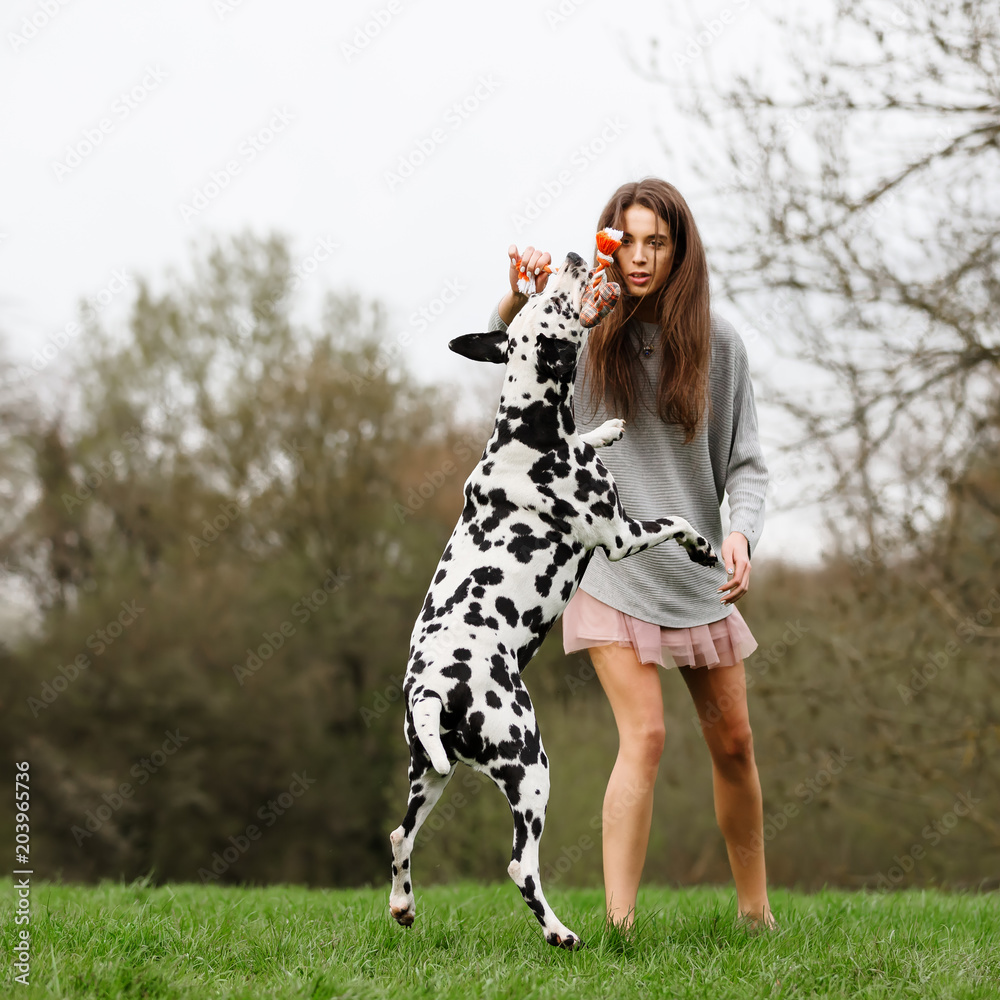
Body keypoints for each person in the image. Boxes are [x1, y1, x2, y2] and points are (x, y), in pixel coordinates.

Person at [484, 178, 776, 932]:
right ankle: (618, 927)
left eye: (658, 241)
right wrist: (516, 301)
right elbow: (513, 357)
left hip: (696, 573)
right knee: (644, 735)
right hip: (611, 568)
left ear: (680, 251)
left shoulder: (720, 345)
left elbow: (745, 462)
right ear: (610, 241)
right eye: (630, 239)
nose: (642, 257)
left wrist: (741, 532)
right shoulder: (588, 332)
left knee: (736, 746)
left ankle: (755, 914)